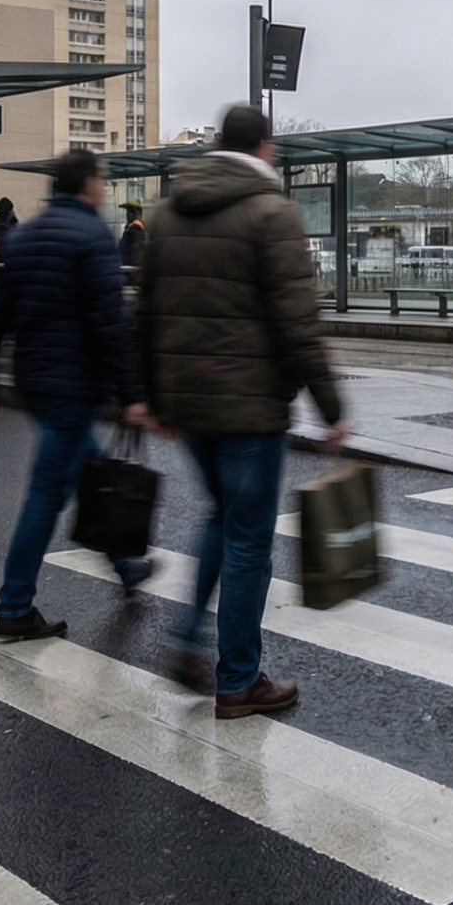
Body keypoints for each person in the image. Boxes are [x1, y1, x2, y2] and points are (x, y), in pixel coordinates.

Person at [137, 105, 350, 719]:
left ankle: (185, 639)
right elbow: (298, 321)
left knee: (221, 518)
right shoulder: (271, 213)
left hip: (189, 404)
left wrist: (152, 397)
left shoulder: (168, 213)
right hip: (251, 407)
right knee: (249, 540)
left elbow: (144, 314)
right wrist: (331, 406)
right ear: (264, 147)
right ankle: (238, 681)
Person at [0, 150, 151, 641]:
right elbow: (111, 325)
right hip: (74, 384)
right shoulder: (93, 239)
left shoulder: (24, 237)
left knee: (86, 471)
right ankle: (14, 605)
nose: (104, 189)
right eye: (102, 181)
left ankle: (126, 564)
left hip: (37, 383)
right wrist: (132, 394)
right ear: (87, 184)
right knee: (46, 496)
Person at [117, 200, 147, 277]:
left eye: (129, 212)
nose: (127, 215)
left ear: (136, 214)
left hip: (129, 272)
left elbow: (136, 254)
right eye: (127, 212)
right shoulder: (130, 229)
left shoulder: (136, 229)